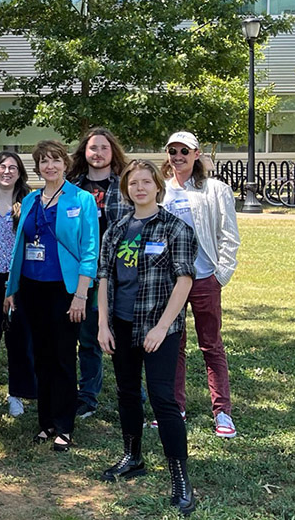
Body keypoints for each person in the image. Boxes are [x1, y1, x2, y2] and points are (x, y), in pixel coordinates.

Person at [98, 160, 197, 515]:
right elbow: (105, 278)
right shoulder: (116, 229)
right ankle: (132, 456)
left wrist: (161, 327)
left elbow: (184, 280)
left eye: (146, 182)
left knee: (162, 400)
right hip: (121, 325)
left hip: (159, 328)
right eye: (133, 183)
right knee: (127, 393)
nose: (139, 188)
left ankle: (180, 478)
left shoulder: (175, 229)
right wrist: (103, 325)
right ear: (125, 189)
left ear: (158, 186)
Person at [5, 139, 98, 452]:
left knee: (61, 358)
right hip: (32, 287)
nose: (50, 166)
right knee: (40, 358)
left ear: (65, 163)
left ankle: (64, 425)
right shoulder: (30, 200)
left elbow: (89, 250)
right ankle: (45, 423)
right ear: (37, 167)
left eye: (55, 160)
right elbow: (21, 247)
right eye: (43, 161)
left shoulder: (82, 200)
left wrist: (81, 295)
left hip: (65, 289)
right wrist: (13, 289)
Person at [161, 131, 241, 439]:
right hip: (171, 281)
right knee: (173, 345)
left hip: (206, 278)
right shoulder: (162, 191)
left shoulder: (215, 189)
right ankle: (174, 407)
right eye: (173, 151)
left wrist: (221, 274)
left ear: (196, 154)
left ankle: (222, 412)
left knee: (211, 345)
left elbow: (229, 235)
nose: (178, 156)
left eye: (184, 150)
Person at [69, 128, 131, 419]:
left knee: (121, 335)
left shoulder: (124, 186)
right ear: (84, 152)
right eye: (93, 148)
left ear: (112, 152)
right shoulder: (72, 188)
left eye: (104, 148)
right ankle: (88, 397)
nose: (98, 153)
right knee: (89, 338)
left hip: (118, 273)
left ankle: (132, 394)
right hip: (83, 273)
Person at [0, 152, 37, 418]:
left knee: (19, 338)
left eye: (13, 167)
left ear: (20, 173)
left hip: (19, 279)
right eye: (3, 166)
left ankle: (17, 394)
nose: (7, 171)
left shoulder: (29, 202)